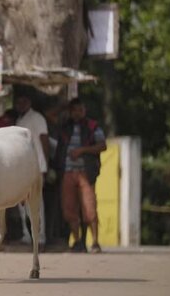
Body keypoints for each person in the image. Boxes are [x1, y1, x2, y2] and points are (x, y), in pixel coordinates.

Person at [55, 98, 106, 253]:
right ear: (70, 112)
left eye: (80, 110)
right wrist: (62, 106)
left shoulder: (92, 127)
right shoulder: (64, 127)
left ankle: (95, 242)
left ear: (84, 111)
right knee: (69, 209)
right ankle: (77, 241)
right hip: (68, 173)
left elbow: (102, 145)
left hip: (86, 172)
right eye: (74, 110)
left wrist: (82, 151)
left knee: (89, 208)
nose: (78, 113)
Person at [14, 93, 49, 246]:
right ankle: (27, 235)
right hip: (21, 169)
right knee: (22, 205)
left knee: (36, 204)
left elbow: (44, 140)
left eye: (24, 101)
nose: (21, 104)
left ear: (29, 102)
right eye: (19, 102)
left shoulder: (37, 118)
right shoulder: (19, 120)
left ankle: (40, 237)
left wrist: (45, 164)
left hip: (37, 167)